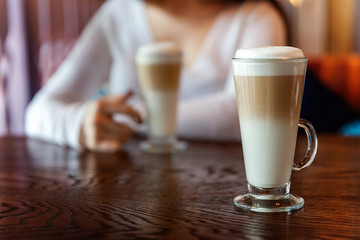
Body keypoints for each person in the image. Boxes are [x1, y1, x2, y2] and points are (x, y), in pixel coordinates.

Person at [25, 0, 287, 153]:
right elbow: (38, 111)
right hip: (131, 194)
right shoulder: (117, 13)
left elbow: (243, 116)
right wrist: (78, 123)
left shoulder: (256, 17)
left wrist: (127, 116)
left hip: (227, 196)